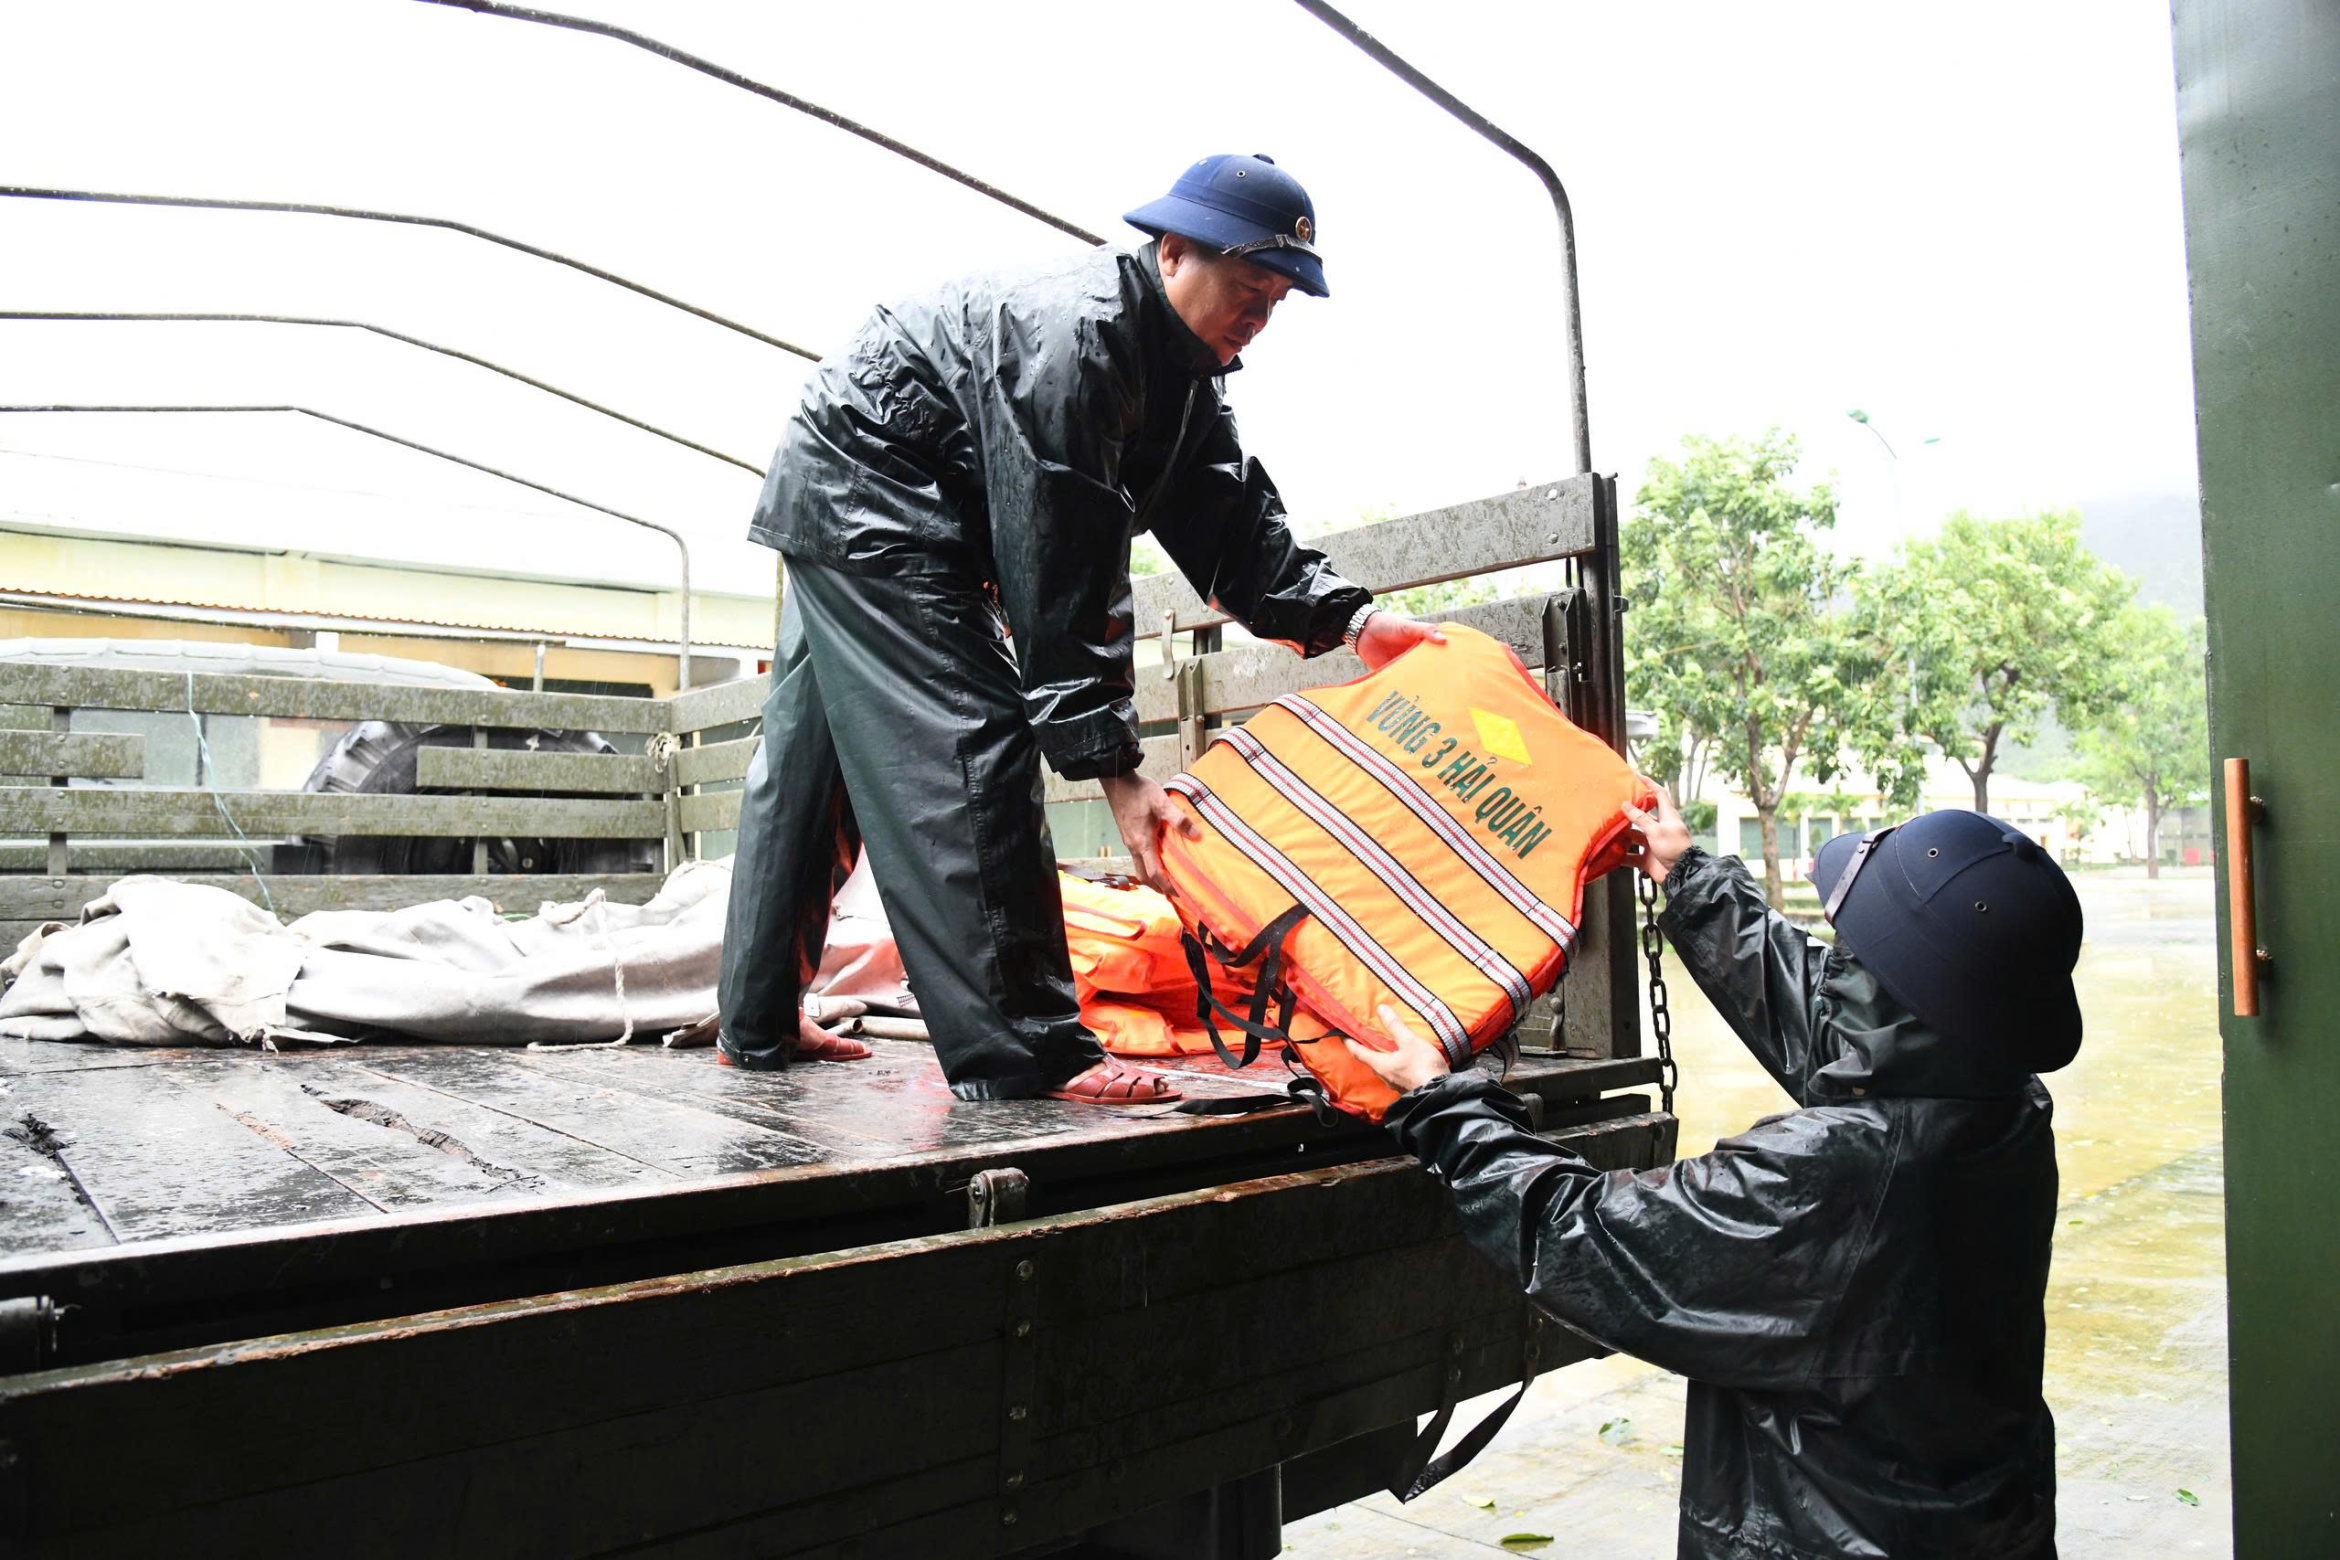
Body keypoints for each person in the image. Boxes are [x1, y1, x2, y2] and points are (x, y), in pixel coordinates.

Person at [719, 153, 1439, 1104]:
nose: (1259, 316)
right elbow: (1062, 563)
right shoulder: (1078, 341)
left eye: (1277, 300)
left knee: (813, 767)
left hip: (855, 494)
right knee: (970, 744)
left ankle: (759, 1021)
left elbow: (1226, 522)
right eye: (1247, 288)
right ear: (1173, 253)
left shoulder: (1183, 374)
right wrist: (1117, 770)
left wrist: (1356, 619)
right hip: (874, 487)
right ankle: (1030, 1052)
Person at [1347, 790, 2082, 1559]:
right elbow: (1844, 1028)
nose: (1834, 962)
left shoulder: (1834, 1174)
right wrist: (1691, 880)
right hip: (1983, 1518)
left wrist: (1442, 1102)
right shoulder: (2003, 1103)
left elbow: (1582, 1236)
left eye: (1852, 952)